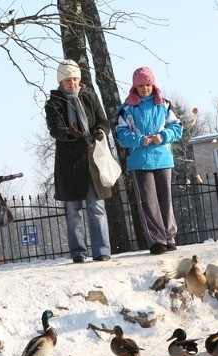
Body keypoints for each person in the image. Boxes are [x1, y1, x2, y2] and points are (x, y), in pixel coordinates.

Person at [44, 59, 112, 263]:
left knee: (96, 206)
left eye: (74, 79)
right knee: (73, 210)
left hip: (92, 160)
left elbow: (103, 121)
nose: (71, 83)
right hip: (68, 163)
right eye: (67, 80)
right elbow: (55, 129)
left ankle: (102, 250)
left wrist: (100, 131)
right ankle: (78, 252)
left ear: (79, 79)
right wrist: (72, 134)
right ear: (61, 82)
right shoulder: (54, 103)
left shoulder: (90, 97)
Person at [115, 66, 183, 255]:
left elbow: (177, 127)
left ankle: (170, 237)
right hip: (140, 161)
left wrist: (163, 136)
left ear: (153, 84)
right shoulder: (127, 109)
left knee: (166, 200)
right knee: (148, 202)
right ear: (134, 87)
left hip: (163, 158)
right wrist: (138, 140)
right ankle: (156, 240)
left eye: (148, 84)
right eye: (141, 86)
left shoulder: (164, 105)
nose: (145, 88)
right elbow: (121, 134)